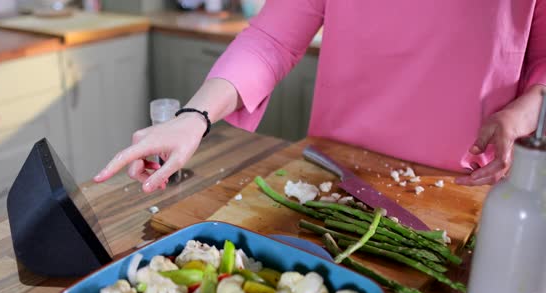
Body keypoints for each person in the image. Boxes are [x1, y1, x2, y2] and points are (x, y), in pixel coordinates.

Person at [94, 1, 546, 192]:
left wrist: (526, 109)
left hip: (464, 186)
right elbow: (272, 39)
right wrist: (194, 116)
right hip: (334, 177)